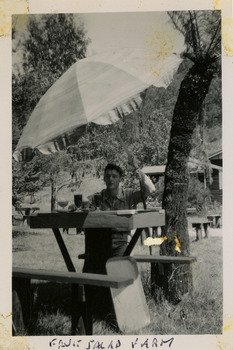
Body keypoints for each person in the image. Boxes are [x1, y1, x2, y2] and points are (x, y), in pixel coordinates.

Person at [83, 163, 156, 274]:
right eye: (107, 176)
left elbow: (151, 189)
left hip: (122, 241)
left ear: (119, 179)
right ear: (104, 178)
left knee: (119, 270)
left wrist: (138, 171)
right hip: (101, 242)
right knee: (97, 272)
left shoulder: (129, 195)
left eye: (114, 176)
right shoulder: (98, 197)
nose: (110, 179)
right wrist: (77, 206)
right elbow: (83, 204)